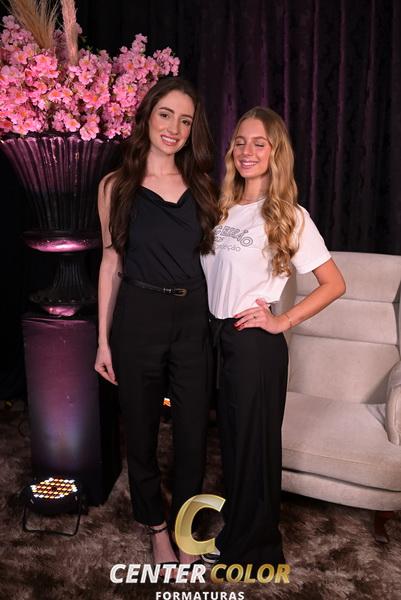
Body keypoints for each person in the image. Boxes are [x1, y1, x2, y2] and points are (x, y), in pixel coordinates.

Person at [200, 107, 346, 571]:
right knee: (232, 445)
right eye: (240, 142)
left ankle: (254, 550)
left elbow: (334, 283)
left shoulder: (288, 215)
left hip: (253, 344)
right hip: (218, 338)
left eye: (259, 143)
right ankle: (240, 535)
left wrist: (282, 322)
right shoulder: (222, 207)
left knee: (254, 449)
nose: (247, 151)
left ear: (275, 152)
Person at [94, 77, 219, 570]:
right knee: (141, 431)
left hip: (192, 319)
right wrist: (103, 342)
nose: (174, 128)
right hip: (138, 318)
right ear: (147, 115)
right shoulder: (115, 187)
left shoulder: (203, 186)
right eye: (166, 114)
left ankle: (186, 529)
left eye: (185, 120)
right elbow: (111, 263)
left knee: (192, 435)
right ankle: (156, 527)